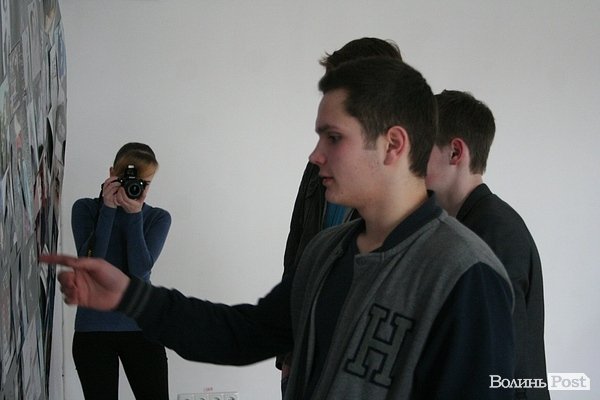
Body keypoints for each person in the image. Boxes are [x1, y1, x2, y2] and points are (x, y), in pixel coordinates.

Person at [43, 58, 515, 399]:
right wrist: (130, 296)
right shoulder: (327, 251)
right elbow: (242, 333)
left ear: (393, 144)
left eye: (333, 137)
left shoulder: (465, 275)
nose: (315, 155)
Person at [279, 36, 403, 394]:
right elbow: (297, 255)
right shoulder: (319, 165)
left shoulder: (411, 183)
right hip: (306, 351)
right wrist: (289, 347)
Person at [426, 90, 549, 400]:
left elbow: (495, 361)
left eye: (420, 146)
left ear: (455, 153)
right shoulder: (472, 224)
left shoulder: (493, 231)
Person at [70, 142, 171, 400]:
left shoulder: (157, 218)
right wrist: (108, 209)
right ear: (111, 173)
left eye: (144, 183)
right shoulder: (85, 209)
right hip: (93, 330)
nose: (135, 187)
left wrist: (134, 215)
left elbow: (139, 272)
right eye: (128, 179)